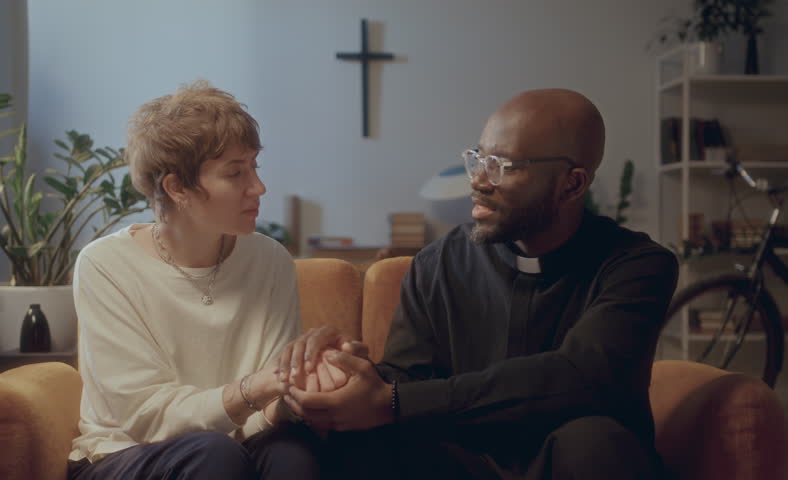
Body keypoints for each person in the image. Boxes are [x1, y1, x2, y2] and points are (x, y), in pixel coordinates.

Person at [279, 88, 679, 479]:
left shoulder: (637, 267)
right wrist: (346, 371)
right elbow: (407, 380)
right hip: (462, 461)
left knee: (594, 440)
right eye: (478, 159)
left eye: (502, 166)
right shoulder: (438, 263)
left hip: (572, 462)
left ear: (571, 185)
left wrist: (394, 401)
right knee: (356, 441)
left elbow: (580, 374)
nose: (478, 181)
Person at [67, 81, 323, 480]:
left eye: (255, 166)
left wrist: (308, 387)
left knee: (293, 455)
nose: (258, 187)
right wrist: (253, 391)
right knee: (213, 454)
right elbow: (145, 419)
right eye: (235, 173)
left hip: (236, 446)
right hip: (125, 452)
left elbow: (267, 407)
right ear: (177, 187)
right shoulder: (104, 265)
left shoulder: (269, 259)